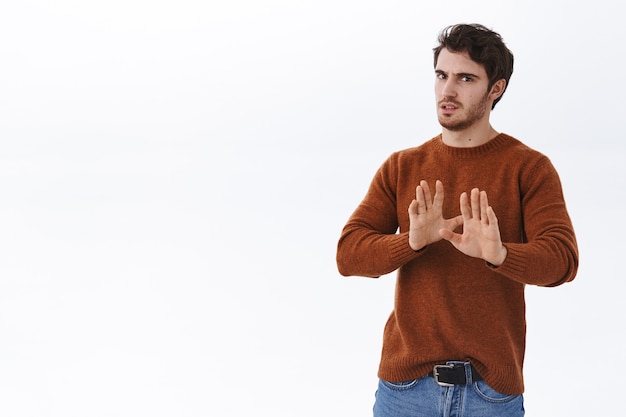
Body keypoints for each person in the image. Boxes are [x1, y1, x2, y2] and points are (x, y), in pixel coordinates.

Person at [336, 23, 578, 417]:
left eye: (465, 78)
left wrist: (500, 254)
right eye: (441, 75)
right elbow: (349, 255)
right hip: (405, 392)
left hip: (491, 396)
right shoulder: (402, 166)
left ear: (495, 89)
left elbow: (563, 261)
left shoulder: (529, 168)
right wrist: (411, 242)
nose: (447, 91)